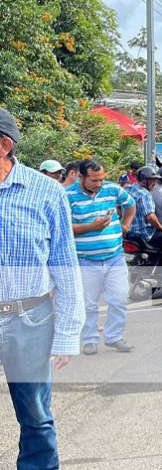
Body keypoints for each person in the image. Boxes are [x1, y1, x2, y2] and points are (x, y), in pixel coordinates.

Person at [0, 108, 85, 470]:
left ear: (4, 145)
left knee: (35, 416)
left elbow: (65, 267)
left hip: (30, 319)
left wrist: (67, 333)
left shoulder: (46, 192)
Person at [66, 159, 136, 355]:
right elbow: (64, 228)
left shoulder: (112, 189)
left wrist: (126, 224)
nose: (99, 184)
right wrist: (91, 227)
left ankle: (114, 336)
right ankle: (89, 339)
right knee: (89, 303)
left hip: (114, 257)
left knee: (120, 298)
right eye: (94, 180)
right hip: (85, 260)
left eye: (101, 179)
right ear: (81, 177)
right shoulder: (68, 196)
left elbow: (131, 204)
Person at [126, 166, 162, 251]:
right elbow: (150, 217)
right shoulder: (145, 194)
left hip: (130, 233)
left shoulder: (129, 189)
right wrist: (161, 227)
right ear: (144, 180)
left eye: (156, 180)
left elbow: (119, 209)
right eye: (152, 180)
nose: (155, 183)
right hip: (145, 234)